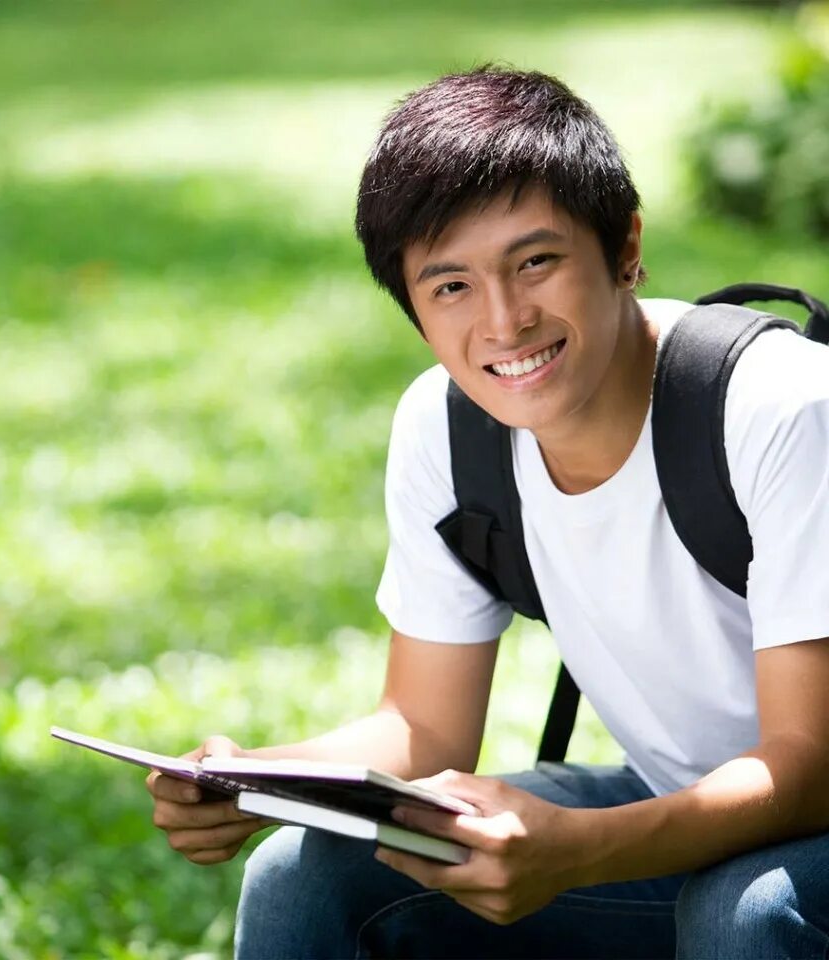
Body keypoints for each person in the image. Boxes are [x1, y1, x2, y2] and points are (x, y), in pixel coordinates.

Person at [146, 68, 829, 959]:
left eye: (535, 261)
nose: (504, 322)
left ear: (624, 246)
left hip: (791, 820)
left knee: (744, 915)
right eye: (451, 286)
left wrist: (578, 851)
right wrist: (255, 783)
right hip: (693, 813)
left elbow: (810, 770)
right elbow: (423, 729)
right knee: (307, 875)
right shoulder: (447, 427)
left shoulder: (781, 407)